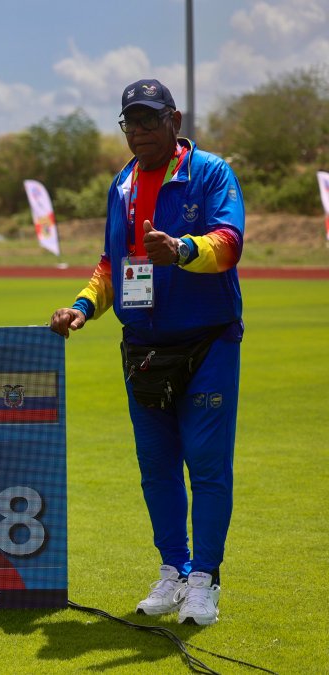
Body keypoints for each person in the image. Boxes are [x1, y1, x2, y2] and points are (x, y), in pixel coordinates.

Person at [48, 79, 244, 626]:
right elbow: (112, 266)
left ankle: (205, 579)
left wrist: (182, 250)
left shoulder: (209, 172)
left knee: (206, 465)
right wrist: (82, 307)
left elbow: (228, 244)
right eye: (129, 123)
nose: (138, 132)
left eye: (148, 121)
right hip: (143, 346)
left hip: (208, 341)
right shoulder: (123, 186)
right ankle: (173, 571)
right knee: (156, 469)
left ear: (174, 121)